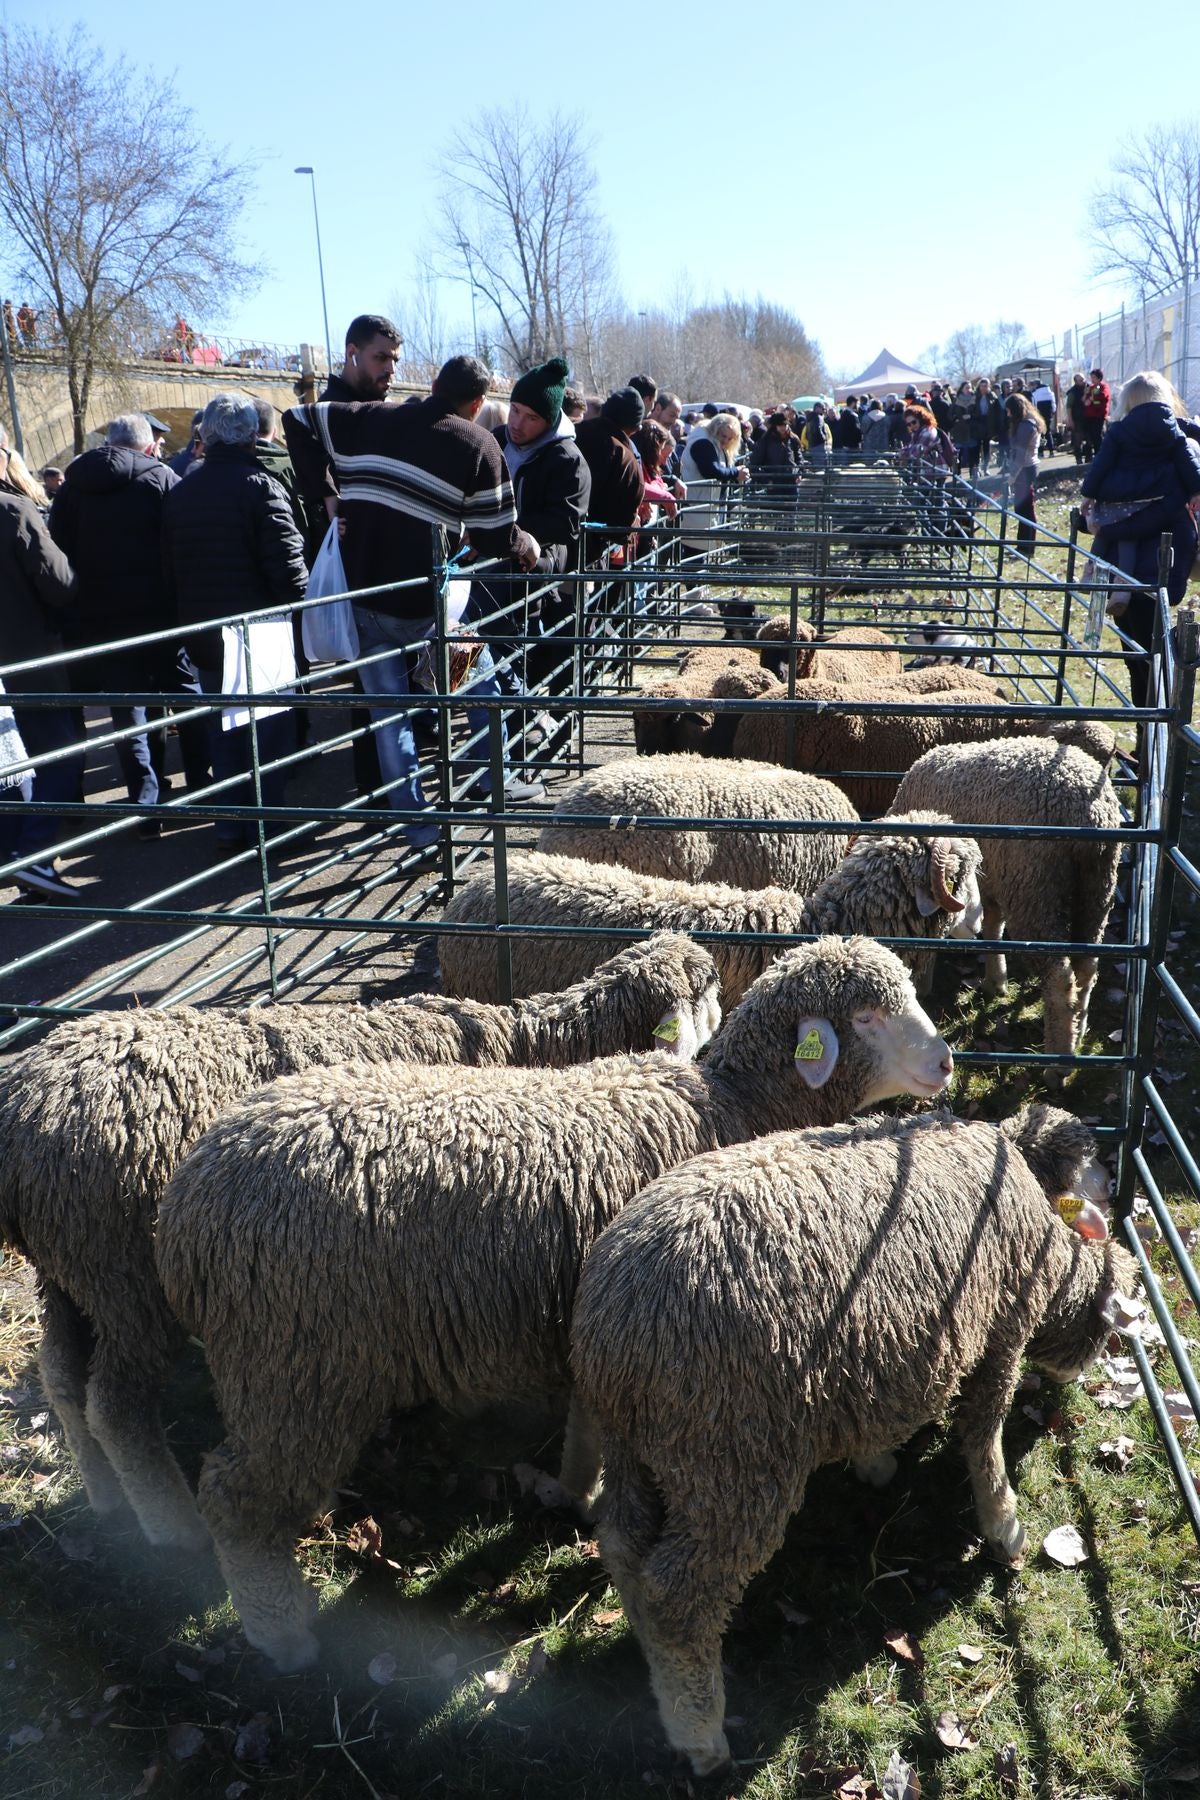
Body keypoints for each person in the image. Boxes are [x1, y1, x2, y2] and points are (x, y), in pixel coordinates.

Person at [284, 356, 542, 844]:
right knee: (483, 688)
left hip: (366, 601)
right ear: (477, 403)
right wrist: (523, 544)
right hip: (430, 613)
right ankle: (493, 780)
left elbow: (295, 419)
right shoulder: (478, 443)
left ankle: (421, 828)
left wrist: (328, 496)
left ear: (431, 385)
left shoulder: (365, 416)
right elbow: (493, 536)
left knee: (391, 719)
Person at [163, 395, 308, 850]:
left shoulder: (181, 491)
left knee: (224, 728)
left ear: (204, 436)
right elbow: (287, 567)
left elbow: (170, 567)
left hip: (204, 631)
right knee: (268, 730)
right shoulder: (260, 486)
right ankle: (267, 824)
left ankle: (229, 824)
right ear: (250, 436)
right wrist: (302, 605)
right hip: (259, 630)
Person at [48, 413, 181, 836]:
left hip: (96, 618)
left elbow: (59, 550)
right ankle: (194, 788)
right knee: (175, 699)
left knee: (129, 712)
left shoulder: (72, 489)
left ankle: (145, 803)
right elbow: (177, 544)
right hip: (156, 614)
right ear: (145, 446)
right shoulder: (160, 480)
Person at [475, 354, 591, 768]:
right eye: (516, 412)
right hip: (487, 571)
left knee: (511, 661)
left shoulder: (567, 460)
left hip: (531, 577)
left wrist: (506, 528)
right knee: (491, 660)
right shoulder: (494, 440)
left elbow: (565, 522)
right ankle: (501, 750)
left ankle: (513, 751)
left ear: (550, 419)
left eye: (530, 418)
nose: (518, 424)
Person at [1080, 369, 1200, 709]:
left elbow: (1093, 498)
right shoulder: (1182, 447)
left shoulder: (1117, 445)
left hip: (1123, 567)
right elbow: (1168, 509)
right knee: (1150, 660)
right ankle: (1152, 746)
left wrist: (1100, 523)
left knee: (1142, 660)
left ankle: (1153, 747)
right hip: (1160, 568)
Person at [0, 423, 83, 899]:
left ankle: (17, 855)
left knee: (8, 764)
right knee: (59, 755)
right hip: (27, 658)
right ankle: (29, 854)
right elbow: (61, 583)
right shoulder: (14, 510)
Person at [574, 387, 647, 554]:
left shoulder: (571, 433)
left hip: (550, 543)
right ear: (636, 428)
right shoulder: (626, 460)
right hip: (590, 549)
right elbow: (620, 524)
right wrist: (628, 529)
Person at [678, 411, 746, 553]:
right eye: (723, 436)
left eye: (730, 438)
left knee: (699, 552)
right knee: (695, 554)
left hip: (703, 506)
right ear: (715, 430)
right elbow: (711, 470)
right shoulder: (704, 443)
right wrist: (735, 473)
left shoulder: (709, 442)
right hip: (697, 506)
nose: (726, 441)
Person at [1004, 392, 1042, 552]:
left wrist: (1012, 475)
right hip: (1026, 467)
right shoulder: (1027, 423)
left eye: (1008, 410)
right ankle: (1023, 544)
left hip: (1025, 469)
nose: (1007, 413)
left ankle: (1027, 545)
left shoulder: (1026, 426)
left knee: (1025, 508)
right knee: (1022, 508)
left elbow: (1021, 454)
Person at [749, 409, 801, 501]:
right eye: (780, 425)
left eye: (785, 425)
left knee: (792, 510)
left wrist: (799, 473)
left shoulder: (793, 439)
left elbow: (799, 458)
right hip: (774, 482)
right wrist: (767, 481)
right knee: (775, 510)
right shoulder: (765, 441)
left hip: (791, 481)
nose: (783, 427)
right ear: (774, 426)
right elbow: (754, 464)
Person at [972, 378, 1002, 476]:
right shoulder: (975, 396)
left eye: (986, 386)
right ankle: (976, 469)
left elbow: (996, 410)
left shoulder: (991, 396)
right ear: (979, 386)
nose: (984, 388)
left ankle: (985, 468)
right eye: (982, 386)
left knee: (986, 447)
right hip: (977, 423)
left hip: (988, 423)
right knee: (976, 448)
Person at [1082, 369, 1110, 461]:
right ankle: (1089, 456)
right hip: (1089, 416)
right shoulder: (1090, 387)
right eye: (1091, 377)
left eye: (1094, 377)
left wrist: (1091, 398)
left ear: (1099, 378)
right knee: (1089, 436)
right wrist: (1086, 395)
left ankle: (1100, 455)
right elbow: (1083, 400)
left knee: (1097, 435)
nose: (1092, 379)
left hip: (1098, 415)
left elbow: (1103, 396)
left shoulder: (1102, 387)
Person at [1065, 373, 1090, 465]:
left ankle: (1088, 458)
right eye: (1080, 380)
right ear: (1075, 382)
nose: (1082, 382)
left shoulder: (1089, 388)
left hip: (1089, 418)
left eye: (1083, 379)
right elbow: (1069, 407)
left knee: (1089, 440)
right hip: (1077, 418)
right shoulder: (1072, 392)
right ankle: (1078, 459)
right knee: (1077, 440)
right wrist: (1070, 420)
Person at [800, 402, 832, 467]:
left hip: (811, 445)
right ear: (817, 408)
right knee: (821, 466)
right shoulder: (818, 417)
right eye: (823, 409)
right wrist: (824, 439)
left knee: (816, 465)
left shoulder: (809, 418)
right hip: (819, 445)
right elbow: (818, 429)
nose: (824, 411)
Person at [1031, 377, 1056, 455]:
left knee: (1040, 434)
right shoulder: (1050, 393)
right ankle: (1051, 450)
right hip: (1048, 416)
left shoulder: (1034, 394)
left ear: (1036, 385)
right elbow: (1054, 406)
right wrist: (1052, 413)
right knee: (1048, 432)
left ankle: (1041, 451)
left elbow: (1033, 406)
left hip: (1039, 416)